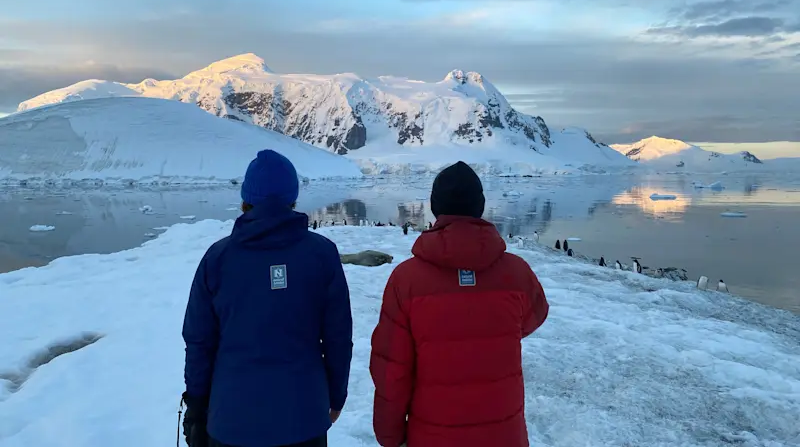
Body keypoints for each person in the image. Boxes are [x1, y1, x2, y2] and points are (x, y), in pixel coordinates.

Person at [370, 161, 549, 447]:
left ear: (434, 207)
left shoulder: (407, 280)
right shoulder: (517, 272)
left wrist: (390, 437)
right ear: (479, 205)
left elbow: (392, 370)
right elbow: (534, 316)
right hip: (504, 435)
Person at [182, 150, 353, 447]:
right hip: (304, 420)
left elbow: (199, 342)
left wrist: (196, 406)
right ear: (292, 198)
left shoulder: (218, 259)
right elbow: (338, 337)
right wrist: (336, 395)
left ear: (246, 199)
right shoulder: (321, 254)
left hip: (232, 423)